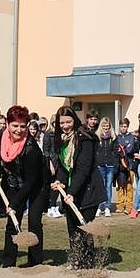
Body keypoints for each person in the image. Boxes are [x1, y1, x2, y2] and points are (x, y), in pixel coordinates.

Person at [50, 106, 104, 269]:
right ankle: (76, 259)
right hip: (70, 191)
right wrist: (60, 181)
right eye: (62, 123)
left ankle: (88, 263)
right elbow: (61, 166)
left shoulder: (85, 138)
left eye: (68, 121)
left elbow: (83, 169)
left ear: (75, 120)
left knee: (84, 227)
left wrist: (72, 192)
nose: (65, 125)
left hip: (88, 189)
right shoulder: (59, 139)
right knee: (73, 228)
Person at [0, 105, 48, 267]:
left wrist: (14, 202)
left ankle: (35, 261)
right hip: (15, 182)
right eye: (15, 125)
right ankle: (8, 262)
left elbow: (31, 181)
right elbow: (2, 159)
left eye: (22, 126)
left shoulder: (31, 148)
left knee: (34, 221)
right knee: (12, 222)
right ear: (8, 124)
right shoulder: (2, 138)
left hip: (37, 185)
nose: (18, 130)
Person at [95, 117, 117, 217]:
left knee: (108, 186)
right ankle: (100, 207)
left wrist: (115, 162)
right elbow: (95, 151)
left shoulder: (113, 137)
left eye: (107, 126)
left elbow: (116, 151)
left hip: (110, 165)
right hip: (100, 165)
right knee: (100, 186)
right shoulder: (97, 136)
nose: (106, 128)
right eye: (104, 126)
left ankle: (107, 207)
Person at [115, 118, 136, 215]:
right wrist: (122, 148)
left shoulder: (131, 137)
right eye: (122, 126)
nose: (123, 128)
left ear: (127, 127)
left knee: (129, 186)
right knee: (120, 186)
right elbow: (116, 149)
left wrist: (122, 149)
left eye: (125, 126)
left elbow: (130, 149)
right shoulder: (117, 137)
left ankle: (128, 205)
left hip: (129, 165)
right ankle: (120, 205)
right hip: (119, 166)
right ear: (119, 127)